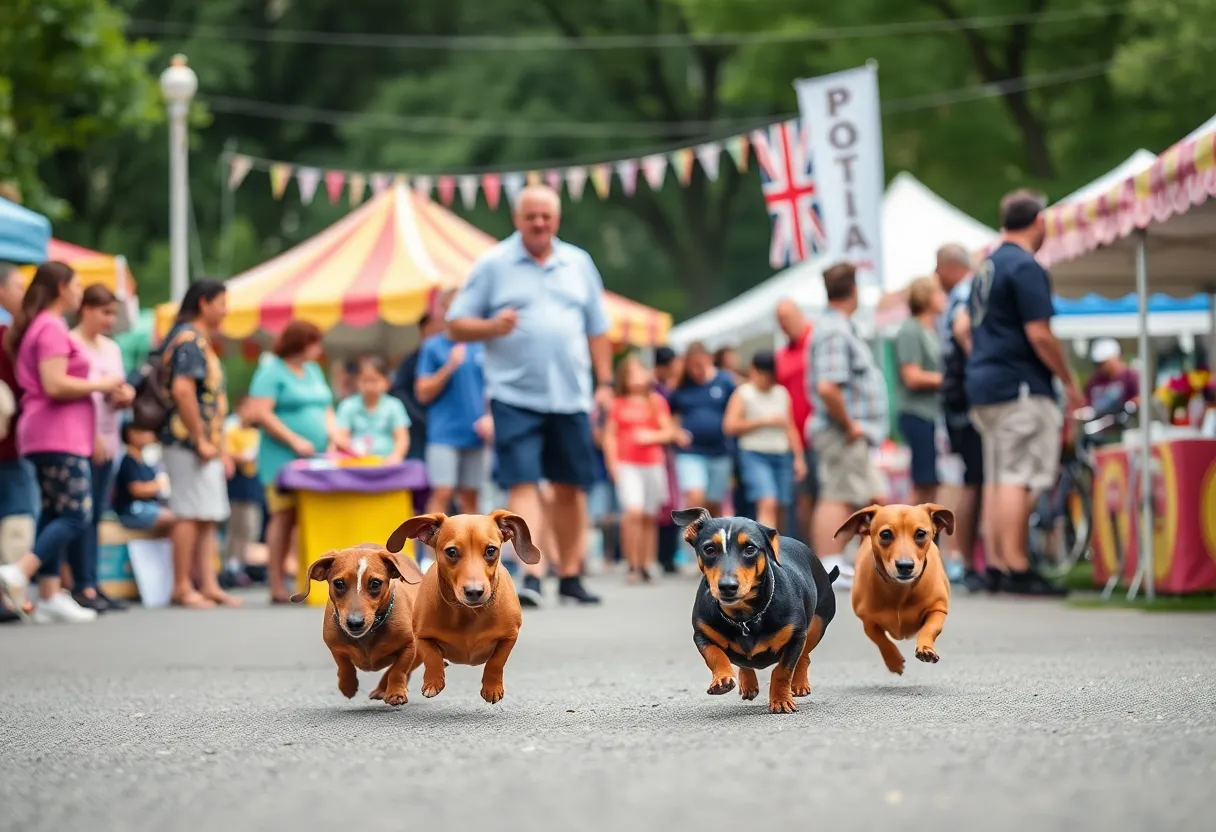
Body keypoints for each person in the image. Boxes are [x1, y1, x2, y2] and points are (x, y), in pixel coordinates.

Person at [446, 184, 613, 607]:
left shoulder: (578, 262)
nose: (539, 223)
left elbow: (598, 329)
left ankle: (571, 575)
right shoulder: (493, 264)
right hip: (514, 394)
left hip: (571, 395)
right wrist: (490, 327)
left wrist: (606, 384)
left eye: (546, 216)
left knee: (571, 486)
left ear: (556, 220)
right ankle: (531, 574)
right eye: (531, 216)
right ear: (516, 219)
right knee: (523, 482)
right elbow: (455, 324)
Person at [966, 189, 1080, 597]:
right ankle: (1016, 565)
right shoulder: (1026, 266)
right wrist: (1068, 379)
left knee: (998, 477)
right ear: (1039, 221)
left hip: (984, 385)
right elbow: (1039, 333)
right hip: (1019, 386)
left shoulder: (986, 266)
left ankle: (996, 563)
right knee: (1017, 476)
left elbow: (964, 326)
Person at [6, 263, 126, 623]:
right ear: (61, 288)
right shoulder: (51, 327)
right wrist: (102, 385)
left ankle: (48, 594)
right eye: (76, 286)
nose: (79, 292)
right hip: (58, 434)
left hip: (48, 433)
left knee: (55, 512)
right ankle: (21, 571)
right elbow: (55, 383)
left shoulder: (39, 326)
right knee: (76, 514)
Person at [807, 262, 889, 589]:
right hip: (842, 430)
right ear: (853, 290)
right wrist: (850, 423)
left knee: (872, 495)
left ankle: (863, 562)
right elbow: (828, 386)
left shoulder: (838, 327)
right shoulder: (834, 330)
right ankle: (828, 566)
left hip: (852, 431)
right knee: (837, 495)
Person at [160, 279, 240, 609]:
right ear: (204, 303)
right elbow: (183, 390)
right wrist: (199, 439)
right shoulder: (189, 340)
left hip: (202, 442)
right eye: (222, 302)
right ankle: (182, 586)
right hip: (187, 442)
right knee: (188, 513)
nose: (226, 310)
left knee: (205, 514)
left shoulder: (197, 340)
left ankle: (207, 584)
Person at [247, 320, 338, 604]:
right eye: (315, 342)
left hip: (317, 458)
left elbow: (326, 408)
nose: (319, 349)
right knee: (282, 516)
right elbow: (261, 412)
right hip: (282, 457)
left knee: (307, 515)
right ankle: (275, 582)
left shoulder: (313, 370)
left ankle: (305, 580)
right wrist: (294, 440)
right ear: (301, 343)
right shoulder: (271, 371)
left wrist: (335, 437)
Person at [66, 284, 131, 612]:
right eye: (104, 312)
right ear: (85, 309)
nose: (109, 320)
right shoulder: (71, 344)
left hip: (110, 437)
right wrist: (90, 436)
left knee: (95, 515)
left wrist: (124, 397)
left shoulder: (111, 348)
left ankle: (91, 581)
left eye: (113, 313)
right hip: (81, 438)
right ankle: (80, 584)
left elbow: (112, 389)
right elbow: (77, 396)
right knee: (79, 514)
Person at [936, 243, 987, 592]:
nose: (936, 277)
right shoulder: (968, 291)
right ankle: (965, 560)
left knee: (973, 479)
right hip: (967, 399)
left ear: (951, 267)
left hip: (956, 399)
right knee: (976, 479)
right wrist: (981, 366)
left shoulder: (957, 292)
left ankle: (964, 559)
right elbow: (962, 328)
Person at [416, 289, 491, 517]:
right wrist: (448, 367)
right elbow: (422, 392)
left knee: (471, 496)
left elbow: (493, 387)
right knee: (443, 492)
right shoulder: (433, 347)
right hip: (443, 434)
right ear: (444, 312)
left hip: (475, 434)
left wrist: (490, 416)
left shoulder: (481, 346)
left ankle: (471, 549)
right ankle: (430, 551)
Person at [602, 354, 674, 583]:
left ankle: (646, 563)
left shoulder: (655, 401)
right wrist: (612, 463)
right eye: (630, 373)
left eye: (638, 372)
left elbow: (668, 431)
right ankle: (632, 563)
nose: (635, 378)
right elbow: (609, 436)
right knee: (632, 512)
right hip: (628, 464)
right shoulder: (618, 403)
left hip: (652, 464)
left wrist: (650, 436)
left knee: (648, 516)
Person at [0, 260, 42, 619]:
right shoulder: (10, 336)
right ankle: (12, 596)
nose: (23, 294)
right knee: (17, 518)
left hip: (14, 445)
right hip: (12, 448)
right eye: (17, 286)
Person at [723, 350, 806, 530]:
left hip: (781, 454)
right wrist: (763, 421)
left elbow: (790, 427)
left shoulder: (781, 393)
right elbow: (729, 425)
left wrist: (799, 458)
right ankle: (763, 550)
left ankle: (777, 548)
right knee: (767, 501)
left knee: (782, 505)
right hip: (754, 454)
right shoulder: (743, 393)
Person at [894, 276, 947, 506]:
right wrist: (947, 380)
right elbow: (911, 376)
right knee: (922, 480)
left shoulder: (929, 329)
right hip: (917, 413)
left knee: (929, 480)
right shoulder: (910, 330)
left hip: (929, 413)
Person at [668, 342, 736, 518]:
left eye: (699, 365)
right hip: (691, 452)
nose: (696, 371)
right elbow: (670, 416)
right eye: (691, 366)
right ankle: (690, 544)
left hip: (719, 451)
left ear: (709, 360)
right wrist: (676, 432)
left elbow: (736, 409)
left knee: (714, 503)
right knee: (695, 498)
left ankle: (712, 542)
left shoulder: (725, 381)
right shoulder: (682, 387)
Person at [774, 299, 817, 540]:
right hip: (794, 439)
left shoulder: (816, 342)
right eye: (780, 321)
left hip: (820, 435)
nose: (784, 325)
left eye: (787, 318)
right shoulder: (781, 356)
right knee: (801, 501)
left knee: (826, 498)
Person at [335, 355, 410, 462]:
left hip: (387, 463)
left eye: (374, 381)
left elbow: (402, 438)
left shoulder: (394, 405)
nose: (369, 386)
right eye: (365, 381)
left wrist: (396, 456)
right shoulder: (348, 405)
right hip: (356, 462)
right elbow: (341, 436)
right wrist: (349, 449)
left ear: (387, 382)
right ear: (357, 382)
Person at [391, 312, 444, 462]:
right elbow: (399, 390)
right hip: (417, 428)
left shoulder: (452, 357)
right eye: (434, 326)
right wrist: (418, 416)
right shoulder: (412, 360)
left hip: (443, 427)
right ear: (423, 329)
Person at [222, 397, 263, 585]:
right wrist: (243, 457)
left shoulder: (258, 433)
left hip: (254, 482)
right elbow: (228, 453)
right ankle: (231, 565)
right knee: (237, 526)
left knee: (251, 527)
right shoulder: (232, 431)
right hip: (238, 483)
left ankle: (243, 563)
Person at [113, 423, 175, 535]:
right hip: (132, 510)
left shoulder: (145, 461)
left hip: (151, 506)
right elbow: (136, 489)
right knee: (175, 519)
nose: (150, 435)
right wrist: (158, 485)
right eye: (145, 431)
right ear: (132, 434)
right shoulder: (128, 461)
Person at [1085, 338, 1139, 439]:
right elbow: (1086, 404)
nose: (1100, 367)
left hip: (1125, 431)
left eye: (1104, 363)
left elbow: (1140, 398)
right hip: (1099, 432)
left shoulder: (1130, 376)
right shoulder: (1094, 381)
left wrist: (1129, 407)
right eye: (1097, 364)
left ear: (1115, 358)